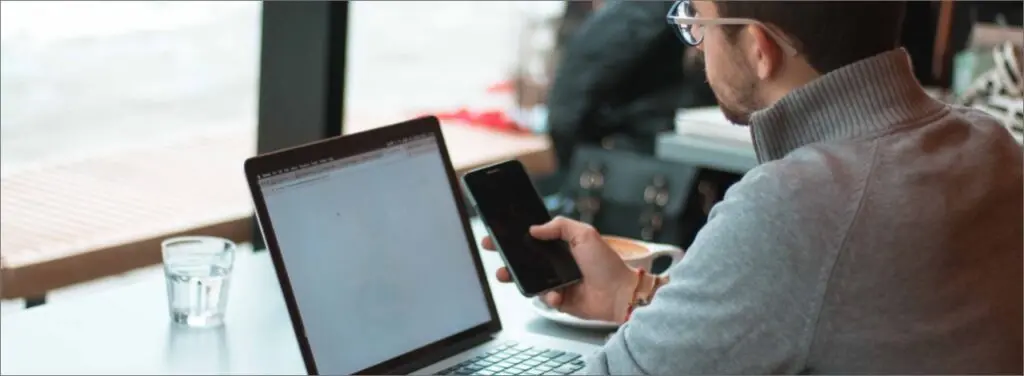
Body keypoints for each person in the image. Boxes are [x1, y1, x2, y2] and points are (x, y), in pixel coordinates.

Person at [481, 1, 1023, 373]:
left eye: (700, 19)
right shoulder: (990, 145)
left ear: (761, 48)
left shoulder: (797, 204)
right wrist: (631, 294)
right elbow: (828, 310)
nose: (696, 45)